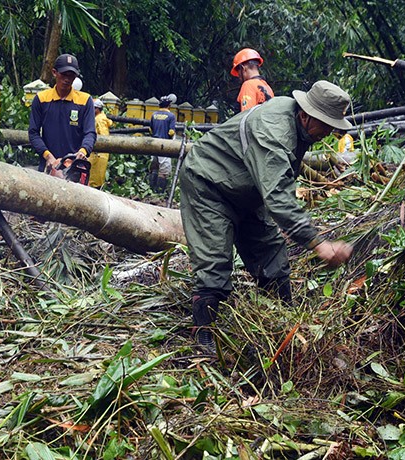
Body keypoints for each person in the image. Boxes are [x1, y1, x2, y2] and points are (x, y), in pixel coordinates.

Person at [180, 80, 355, 352]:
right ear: (306, 115)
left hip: (247, 187)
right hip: (209, 183)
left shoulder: (301, 125)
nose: (330, 132)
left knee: (271, 256)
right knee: (214, 262)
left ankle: (284, 323)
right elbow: (278, 198)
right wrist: (318, 243)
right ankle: (204, 334)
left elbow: (277, 182)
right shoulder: (275, 132)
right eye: (326, 124)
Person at [28, 53, 97, 174]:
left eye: (71, 76)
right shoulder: (41, 99)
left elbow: (90, 133)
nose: (67, 79)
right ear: (54, 72)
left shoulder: (85, 101)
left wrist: (82, 151)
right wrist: (48, 156)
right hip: (48, 166)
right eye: (64, 74)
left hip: (75, 168)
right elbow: (33, 133)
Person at [148, 94, 177, 193]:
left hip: (153, 144)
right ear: (169, 105)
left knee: (154, 168)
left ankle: (151, 189)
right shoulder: (171, 116)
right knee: (164, 171)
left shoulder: (154, 115)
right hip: (164, 145)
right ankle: (159, 192)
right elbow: (171, 132)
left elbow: (150, 130)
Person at [232, 48, 274, 112]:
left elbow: (246, 116)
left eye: (238, 72)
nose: (238, 76)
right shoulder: (267, 87)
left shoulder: (248, 85)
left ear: (243, 68)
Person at [90, 99, 113, 188]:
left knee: (95, 178)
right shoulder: (99, 118)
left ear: (97, 109)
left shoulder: (99, 120)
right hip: (97, 153)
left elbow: (104, 137)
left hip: (98, 154)